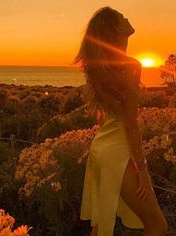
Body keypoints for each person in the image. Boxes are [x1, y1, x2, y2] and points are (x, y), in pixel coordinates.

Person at [72, 6, 168, 236]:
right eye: (121, 17)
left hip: (101, 148)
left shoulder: (103, 68)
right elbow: (130, 123)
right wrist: (143, 171)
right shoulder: (130, 66)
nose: (127, 17)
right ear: (116, 29)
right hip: (117, 151)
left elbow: (106, 115)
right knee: (157, 225)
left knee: (100, 223)